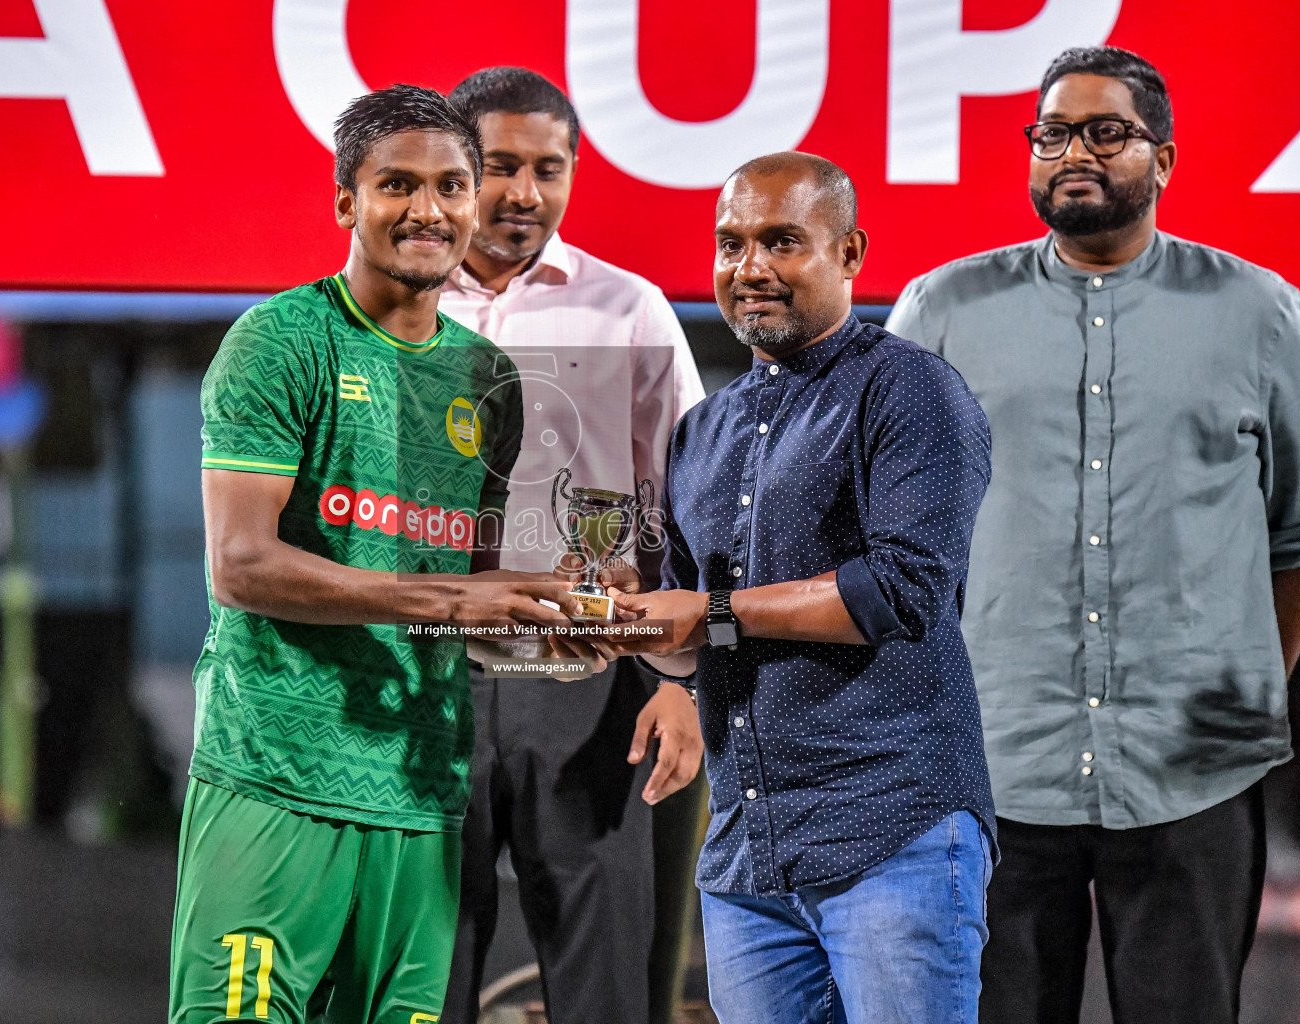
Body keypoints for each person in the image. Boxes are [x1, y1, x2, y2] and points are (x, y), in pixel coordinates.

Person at [886, 45, 1300, 1024]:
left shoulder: (1263, 314)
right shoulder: (939, 312)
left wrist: (1247, 676)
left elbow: (1299, 537)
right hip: (991, 765)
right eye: (1053, 134)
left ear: (1162, 159)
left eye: (1106, 132)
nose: (1075, 151)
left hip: (1195, 764)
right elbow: (890, 535)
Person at [166, 84, 583, 1024]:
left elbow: (469, 597)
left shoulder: (490, 379)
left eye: (451, 186)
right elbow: (240, 567)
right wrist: (452, 605)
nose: (429, 210)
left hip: (422, 797)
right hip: (276, 779)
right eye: (398, 184)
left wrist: (562, 615)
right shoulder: (279, 342)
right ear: (347, 201)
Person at [606, 151, 995, 1024]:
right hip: (748, 855)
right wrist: (614, 613)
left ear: (850, 252)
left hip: (892, 833)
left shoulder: (910, 389)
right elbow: (683, 634)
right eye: (731, 243)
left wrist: (706, 615)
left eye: (783, 241)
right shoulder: (702, 429)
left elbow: (900, 593)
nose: (751, 269)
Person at [434, 67, 706, 1024]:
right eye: (500, 165)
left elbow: (693, 510)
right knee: (422, 981)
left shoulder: (628, 309)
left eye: (549, 169)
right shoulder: (390, 308)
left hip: (588, 687)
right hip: (425, 686)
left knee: (606, 990)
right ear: (454, 169)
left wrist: (681, 682)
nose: (524, 193)